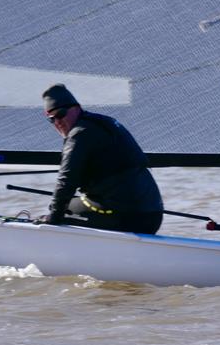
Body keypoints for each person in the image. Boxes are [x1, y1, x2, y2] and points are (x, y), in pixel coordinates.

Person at [37, 84, 163, 234]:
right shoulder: (105, 122)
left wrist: (53, 217)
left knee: (63, 209)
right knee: (72, 203)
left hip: (127, 218)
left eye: (61, 114)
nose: (57, 121)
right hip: (153, 215)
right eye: (51, 119)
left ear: (76, 108)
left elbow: (66, 180)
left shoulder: (79, 134)